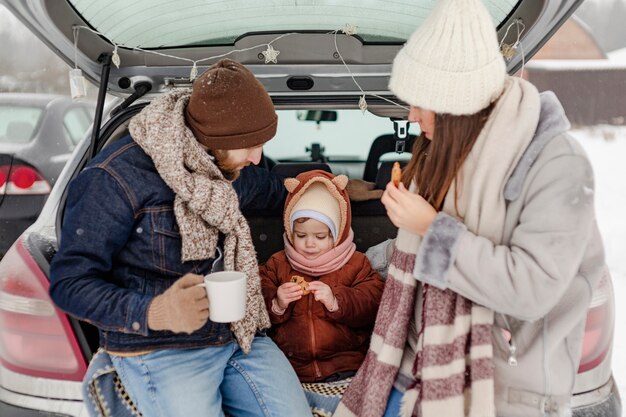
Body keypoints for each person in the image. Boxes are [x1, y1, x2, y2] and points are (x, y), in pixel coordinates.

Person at [335, 1, 610, 417]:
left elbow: (530, 290)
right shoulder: (448, 154)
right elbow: (407, 253)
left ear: (456, 103)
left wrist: (433, 230)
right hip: (407, 371)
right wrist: (350, 268)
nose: (411, 117)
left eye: (421, 103)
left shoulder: (556, 164)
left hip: (496, 389)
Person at [49, 59, 312, 417]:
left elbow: (265, 187)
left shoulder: (220, 168)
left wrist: (322, 189)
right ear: (213, 139)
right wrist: (155, 312)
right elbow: (69, 283)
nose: (257, 157)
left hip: (237, 333)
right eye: (249, 145)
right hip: (160, 344)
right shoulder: (113, 179)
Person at [260, 170, 385, 415]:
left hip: (346, 365)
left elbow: (372, 303)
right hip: (292, 368)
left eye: (320, 236)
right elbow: (255, 302)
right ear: (289, 231)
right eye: (301, 235)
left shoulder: (355, 263)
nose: (309, 244)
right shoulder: (277, 265)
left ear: (336, 234)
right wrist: (277, 302)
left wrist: (336, 300)